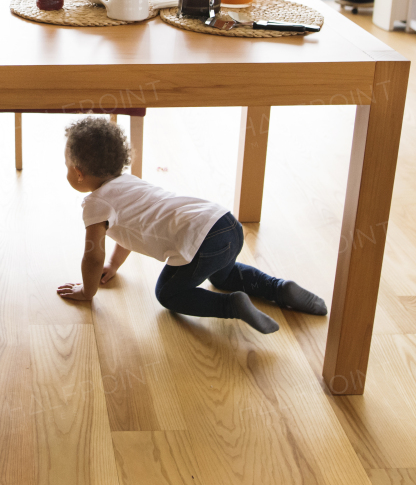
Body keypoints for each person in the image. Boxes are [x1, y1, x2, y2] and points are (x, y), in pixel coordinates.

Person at [56, 116, 328, 333]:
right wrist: (114, 265)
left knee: (168, 293)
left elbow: (93, 255)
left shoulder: (96, 204)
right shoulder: (128, 182)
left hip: (201, 242)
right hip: (225, 224)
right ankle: (279, 288)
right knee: (223, 274)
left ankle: (230, 305)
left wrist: (87, 290)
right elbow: (126, 233)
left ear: (78, 173)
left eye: (67, 165)